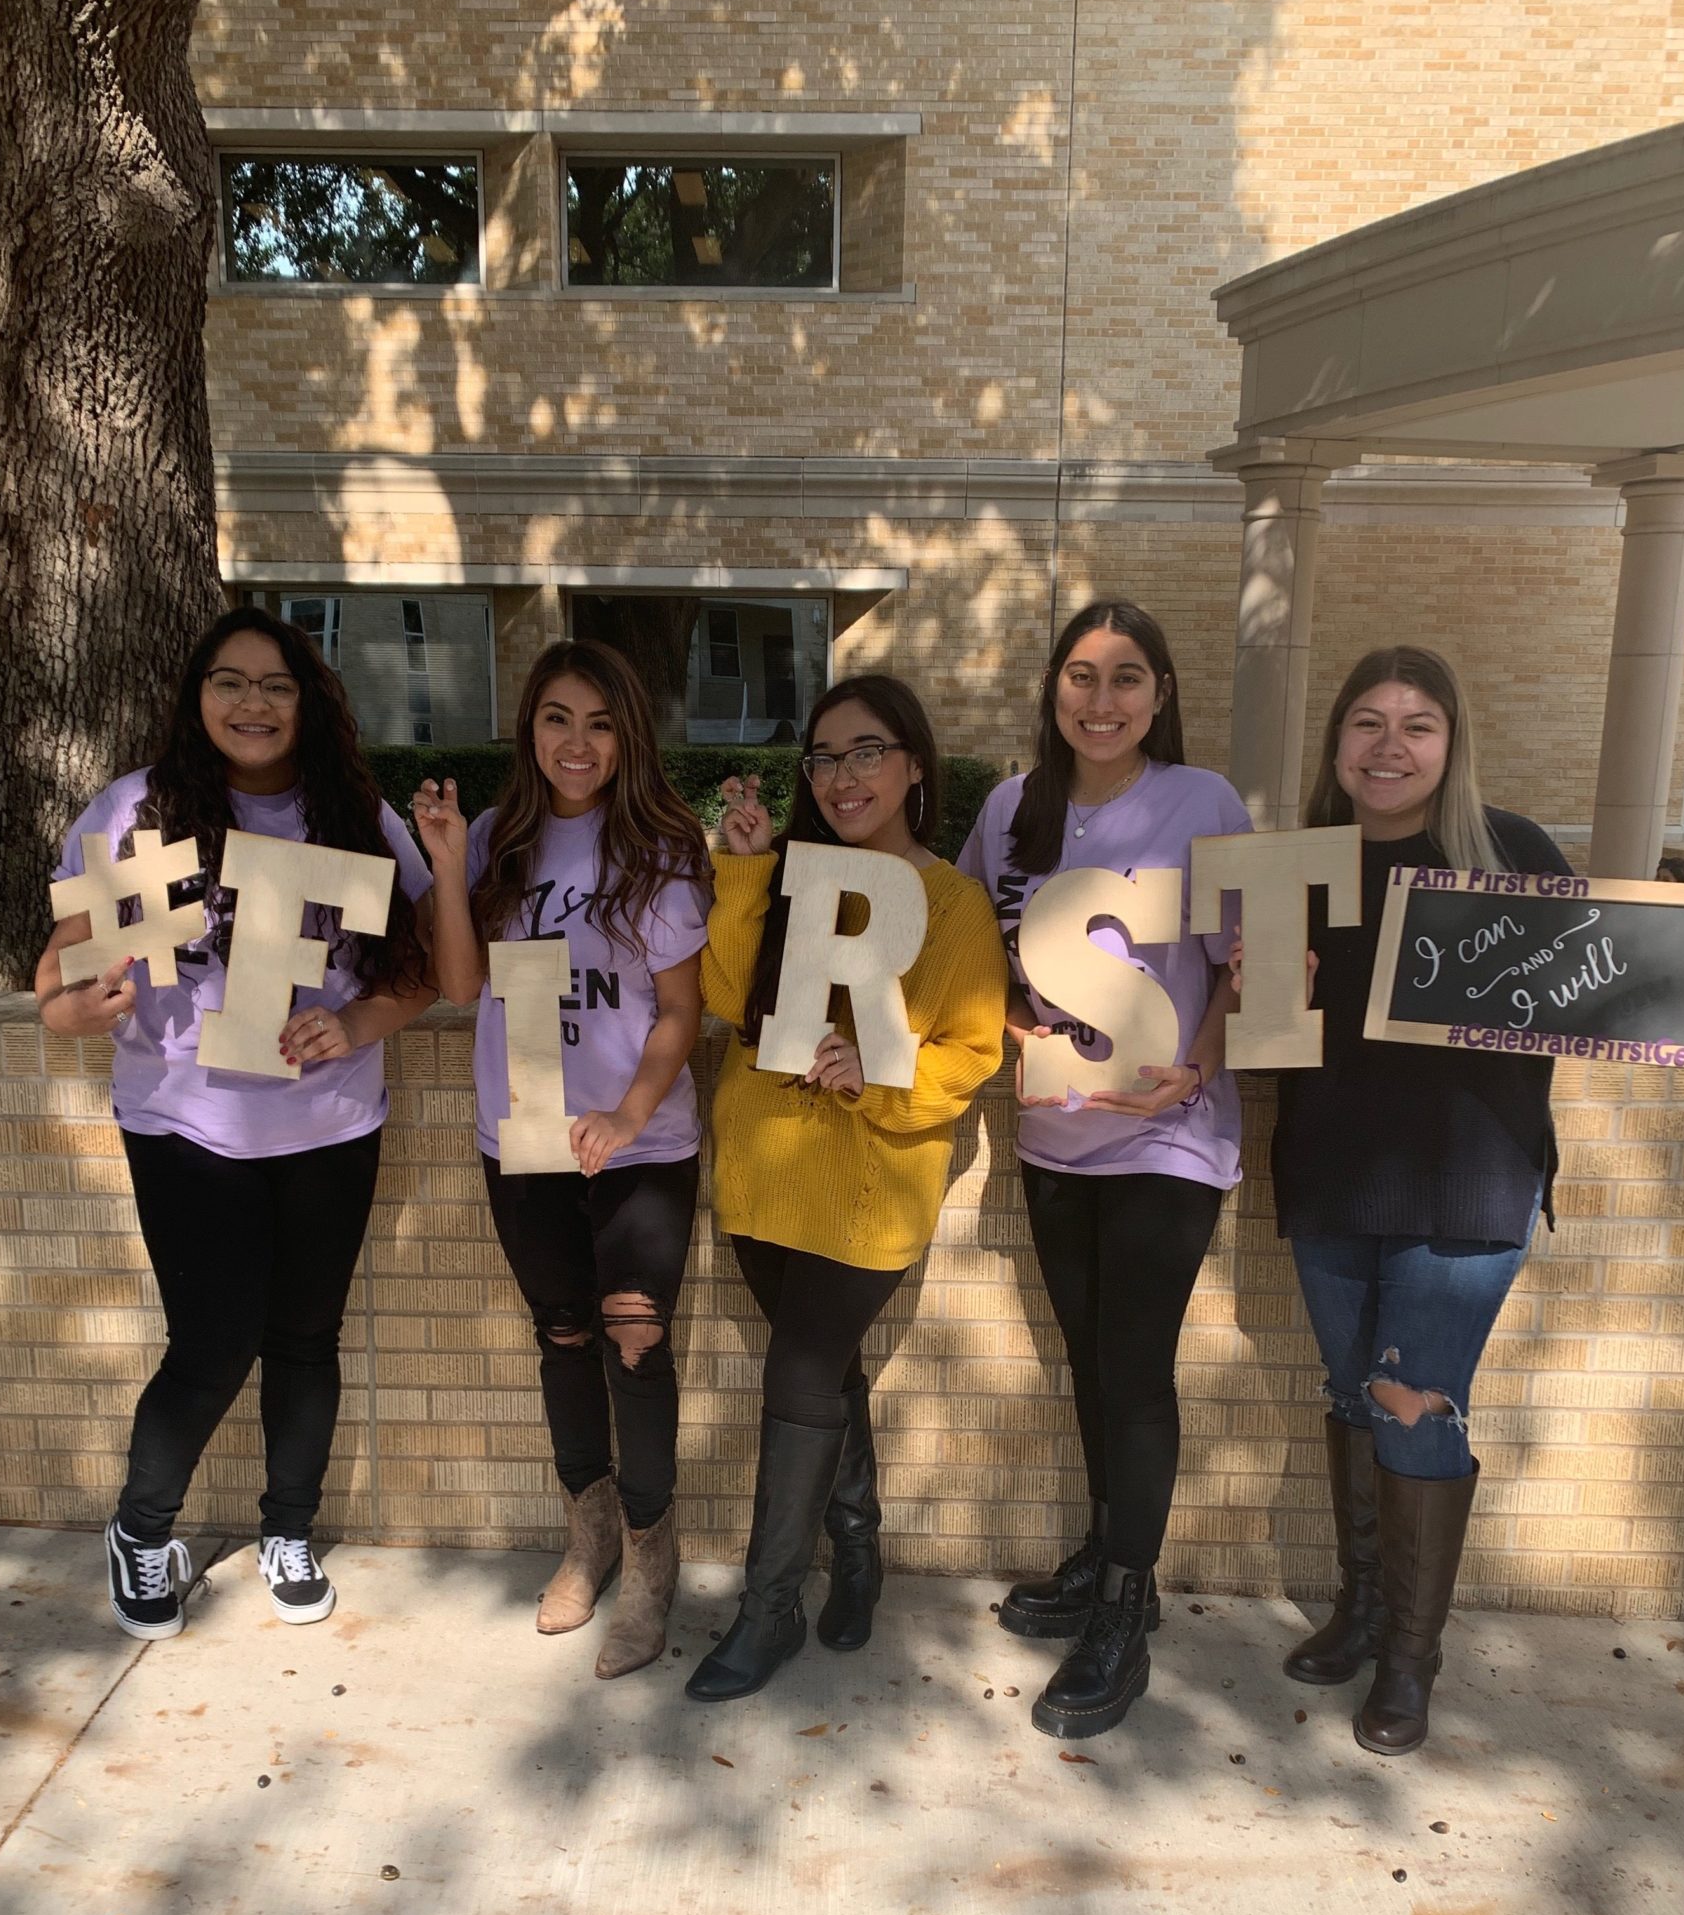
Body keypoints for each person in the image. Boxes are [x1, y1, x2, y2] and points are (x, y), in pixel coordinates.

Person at [1265, 644, 1684, 1755]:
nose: (1390, 745)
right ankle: (1364, 1604)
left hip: (1468, 1186)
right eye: (1368, 722)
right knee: (1351, 1392)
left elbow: (1617, 981)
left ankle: (1410, 1658)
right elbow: (1259, 1033)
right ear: (1337, 744)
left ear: (1452, 743)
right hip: (1332, 1172)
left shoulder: (1506, 850)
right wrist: (1255, 993)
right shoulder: (1300, 866)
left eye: (1418, 725)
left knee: (1411, 1403)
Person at [37, 606, 434, 1637]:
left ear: (308, 702)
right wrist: (75, 1003)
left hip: (330, 1124)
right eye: (229, 680)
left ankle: (288, 1529)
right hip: (184, 1123)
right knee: (212, 1342)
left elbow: (422, 970)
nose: (251, 703)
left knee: (305, 1337)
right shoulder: (141, 812)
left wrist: (352, 1023)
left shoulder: (354, 816)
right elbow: (63, 963)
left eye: (276, 684)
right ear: (195, 695)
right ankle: (141, 1526)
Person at [956, 601, 1250, 1741]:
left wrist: (1200, 1062)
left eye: (1128, 677)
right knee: (1088, 1355)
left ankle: (1128, 1606)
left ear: (1161, 693)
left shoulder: (1204, 801)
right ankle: (1106, 1545)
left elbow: (1245, 960)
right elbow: (974, 947)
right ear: (1055, 688)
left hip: (1170, 1132)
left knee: (1135, 1365)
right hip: (1054, 1131)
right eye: (1082, 675)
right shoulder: (1009, 809)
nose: (1103, 699)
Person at [686, 673, 1009, 1703]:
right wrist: (740, 875)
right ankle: (858, 1545)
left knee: (801, 1364)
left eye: (867, 751)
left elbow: (974, 1050)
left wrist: (885, 1076)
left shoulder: (951, 903)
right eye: (823, 757)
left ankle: (767, 1609)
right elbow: (732, 1000)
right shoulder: (790, 877)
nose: (842, 776)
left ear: (916, 762)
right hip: (762, 1166)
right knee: (821, 1372)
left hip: (870, 1182)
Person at [414, 642, 711, 1678]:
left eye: (597, 721)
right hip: (526, 1138)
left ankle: (650, 1554)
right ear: (527, 730)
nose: (575, 743)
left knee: (634, 1341)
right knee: (565, 1333)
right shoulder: (496, 837)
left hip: (639, 1145)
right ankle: (586, 1535)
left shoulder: (662, 848)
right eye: (554, 718)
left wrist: (629, 1114)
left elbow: (682, 1011)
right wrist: (451, 864)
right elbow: (459, 986)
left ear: (627, 733)